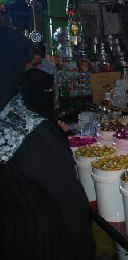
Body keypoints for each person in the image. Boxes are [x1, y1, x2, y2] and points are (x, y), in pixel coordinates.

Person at [0, 26, 94, 259]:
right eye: (28, 67)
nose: (31, 75)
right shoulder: (25, 129)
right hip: (42, 243)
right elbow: (70, 199)